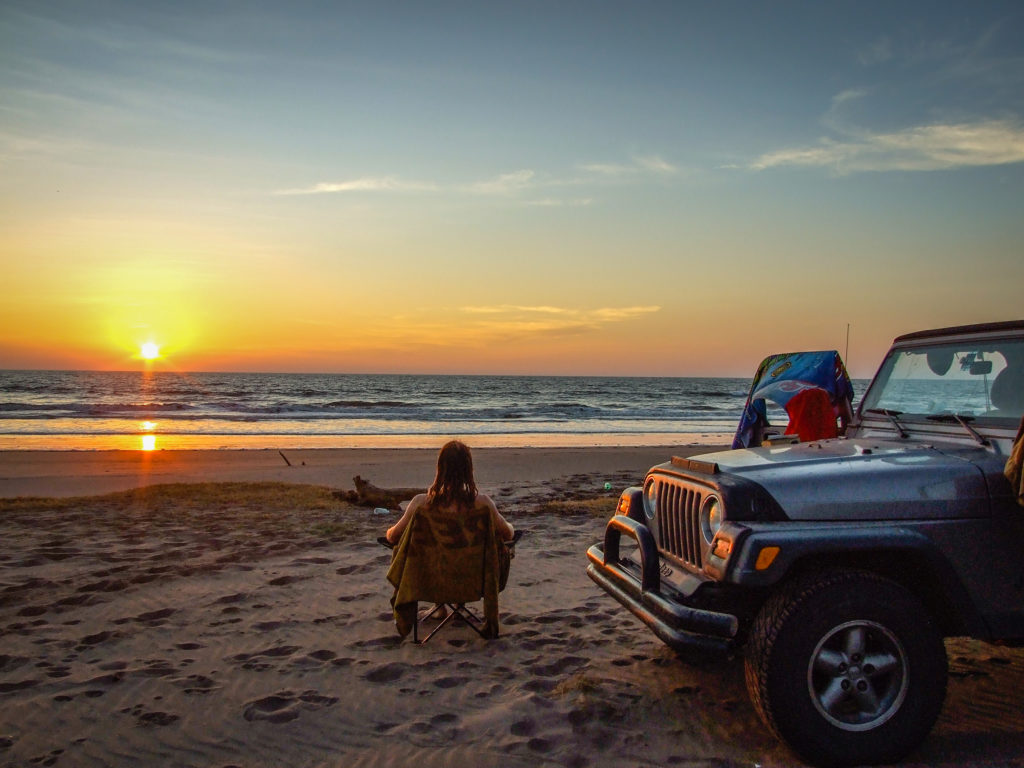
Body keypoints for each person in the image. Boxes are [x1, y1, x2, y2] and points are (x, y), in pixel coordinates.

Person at [386, 439, 515, 546]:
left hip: (431, 573)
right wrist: (510, 526)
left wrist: (389, 531)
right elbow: (508, 534)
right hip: (473, 573)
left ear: (440, 468)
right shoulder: (483, 504)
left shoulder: (420, 504)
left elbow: (392, 537)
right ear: (468, 470)